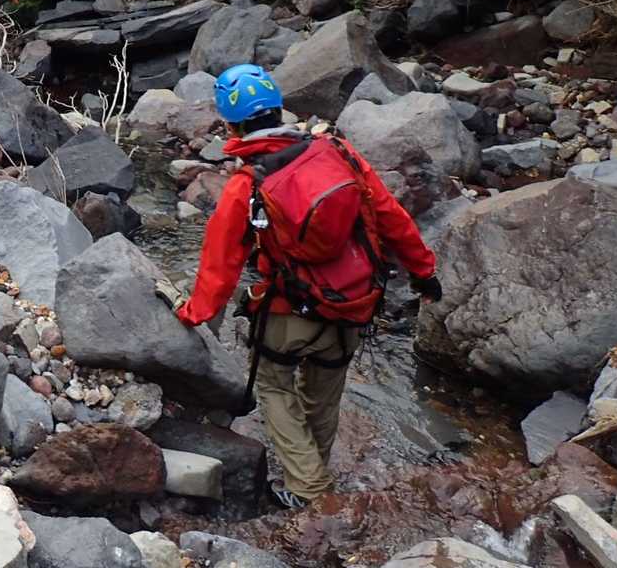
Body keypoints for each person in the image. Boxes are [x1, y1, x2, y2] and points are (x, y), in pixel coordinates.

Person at [172, 64, 442, 509]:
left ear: (232, 127)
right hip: (355, 302)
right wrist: (424, 273)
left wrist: (192, 314)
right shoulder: (337, 150)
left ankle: (309, 489)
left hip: (290, 310)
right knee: (324, 395)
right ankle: (317, 475)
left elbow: (220, 264)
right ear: (280, 109)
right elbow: (391, 217)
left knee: (275, 387)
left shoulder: (246, 185)